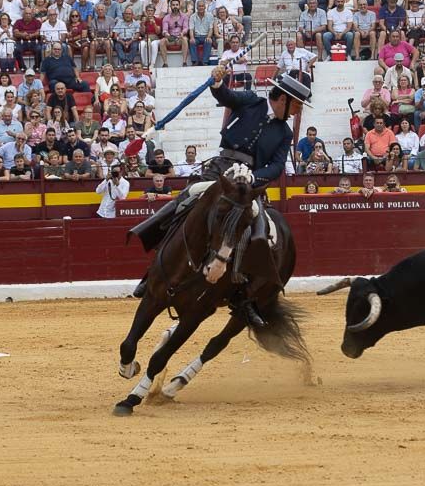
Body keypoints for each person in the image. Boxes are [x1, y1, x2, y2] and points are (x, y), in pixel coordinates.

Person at [129, 71, 312, 319]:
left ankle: (245, 295)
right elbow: (225, 95)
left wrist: (253, 177)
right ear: (283, 99)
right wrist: (217, 82)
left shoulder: (284, 133)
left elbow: (277, 166)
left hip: (249, 182)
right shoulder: (251, 101)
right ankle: (153, 271)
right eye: (297, 106)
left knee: (259, 231)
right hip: (220, 168)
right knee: (184, 201)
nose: (296, 112)